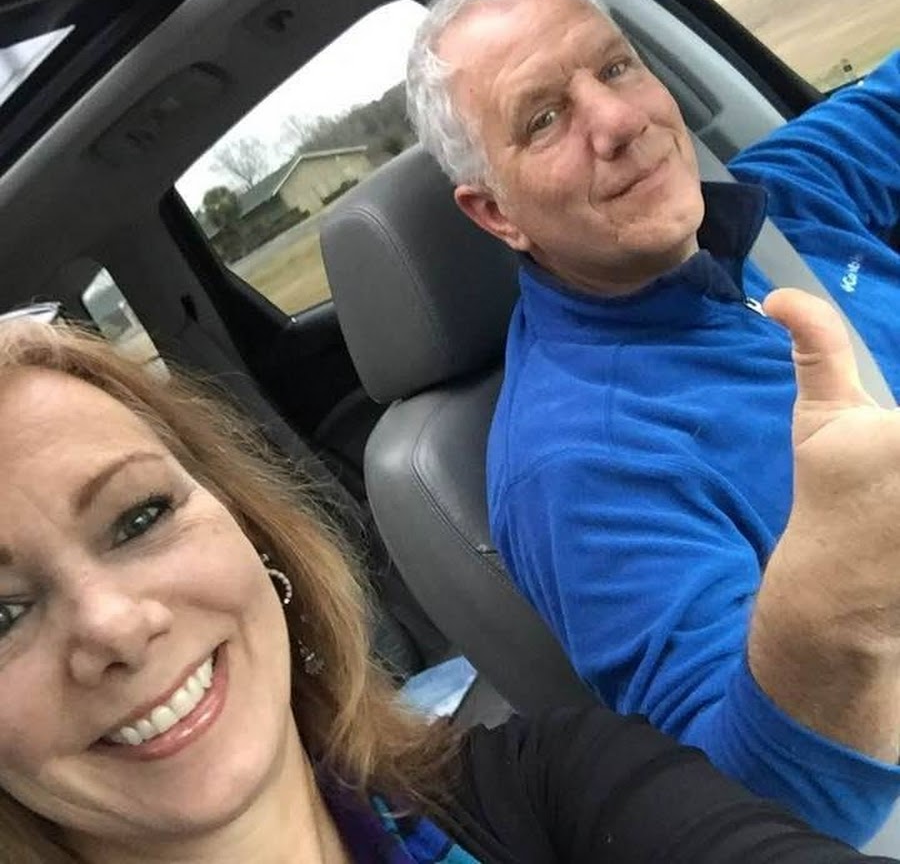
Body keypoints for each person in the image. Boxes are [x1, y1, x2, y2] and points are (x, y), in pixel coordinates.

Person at [1, 307, 898, 863]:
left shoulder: (554, 787)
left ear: (250, 534)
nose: (115, 625)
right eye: (0, 614)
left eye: (140, 517)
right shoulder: (569, 459)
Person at [404, 0, 900, 846]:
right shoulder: (579, 467)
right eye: (545, 118)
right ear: (495, 213)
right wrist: (837, 604)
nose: (620, 121)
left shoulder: (776, 204)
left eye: (617, 66)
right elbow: (748, 811)